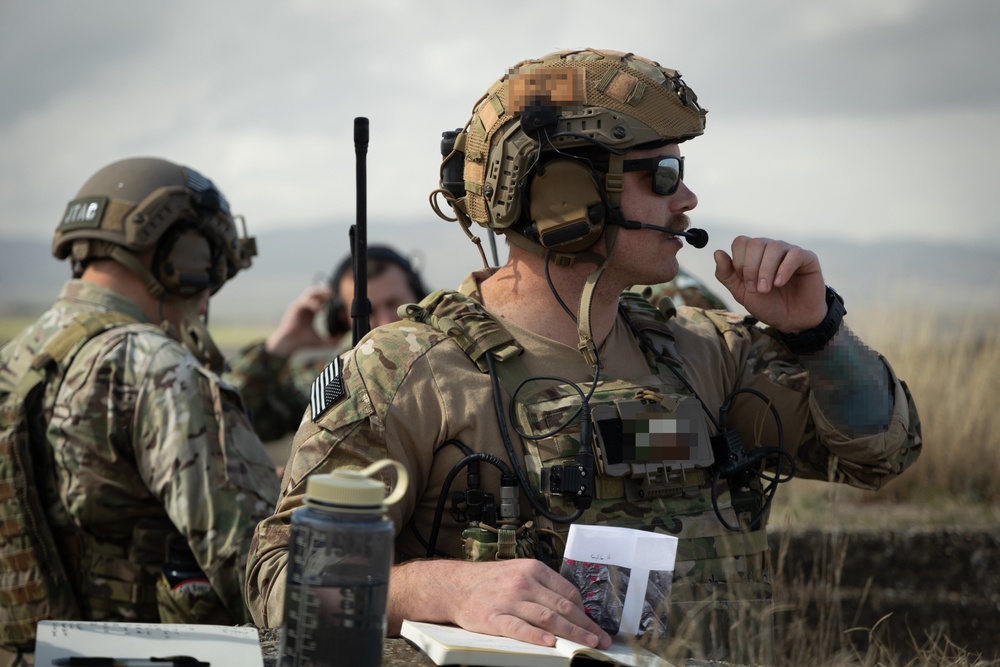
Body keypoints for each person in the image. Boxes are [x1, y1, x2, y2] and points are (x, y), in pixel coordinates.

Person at [245, 49, 921, 662]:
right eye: (662, 174)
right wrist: (440, 586)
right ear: (564, 195)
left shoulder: (707, 351)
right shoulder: (408, 373)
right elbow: (279, 578)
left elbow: (880, 453)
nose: (686, 199)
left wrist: (816, 333)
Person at [0, 157, 280, 643]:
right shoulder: (160, 369)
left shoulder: (14, 360)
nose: (208, 292)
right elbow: (265, 574)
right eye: (212, 267)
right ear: (186, 259)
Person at [227, 245, 428, 445]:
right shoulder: (329, 381)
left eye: (394, 304)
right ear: (342, 319)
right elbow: (229, 419)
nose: (386, 321)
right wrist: (279, 346)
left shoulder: (451, 357)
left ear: (419, 297)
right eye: (368, 311)